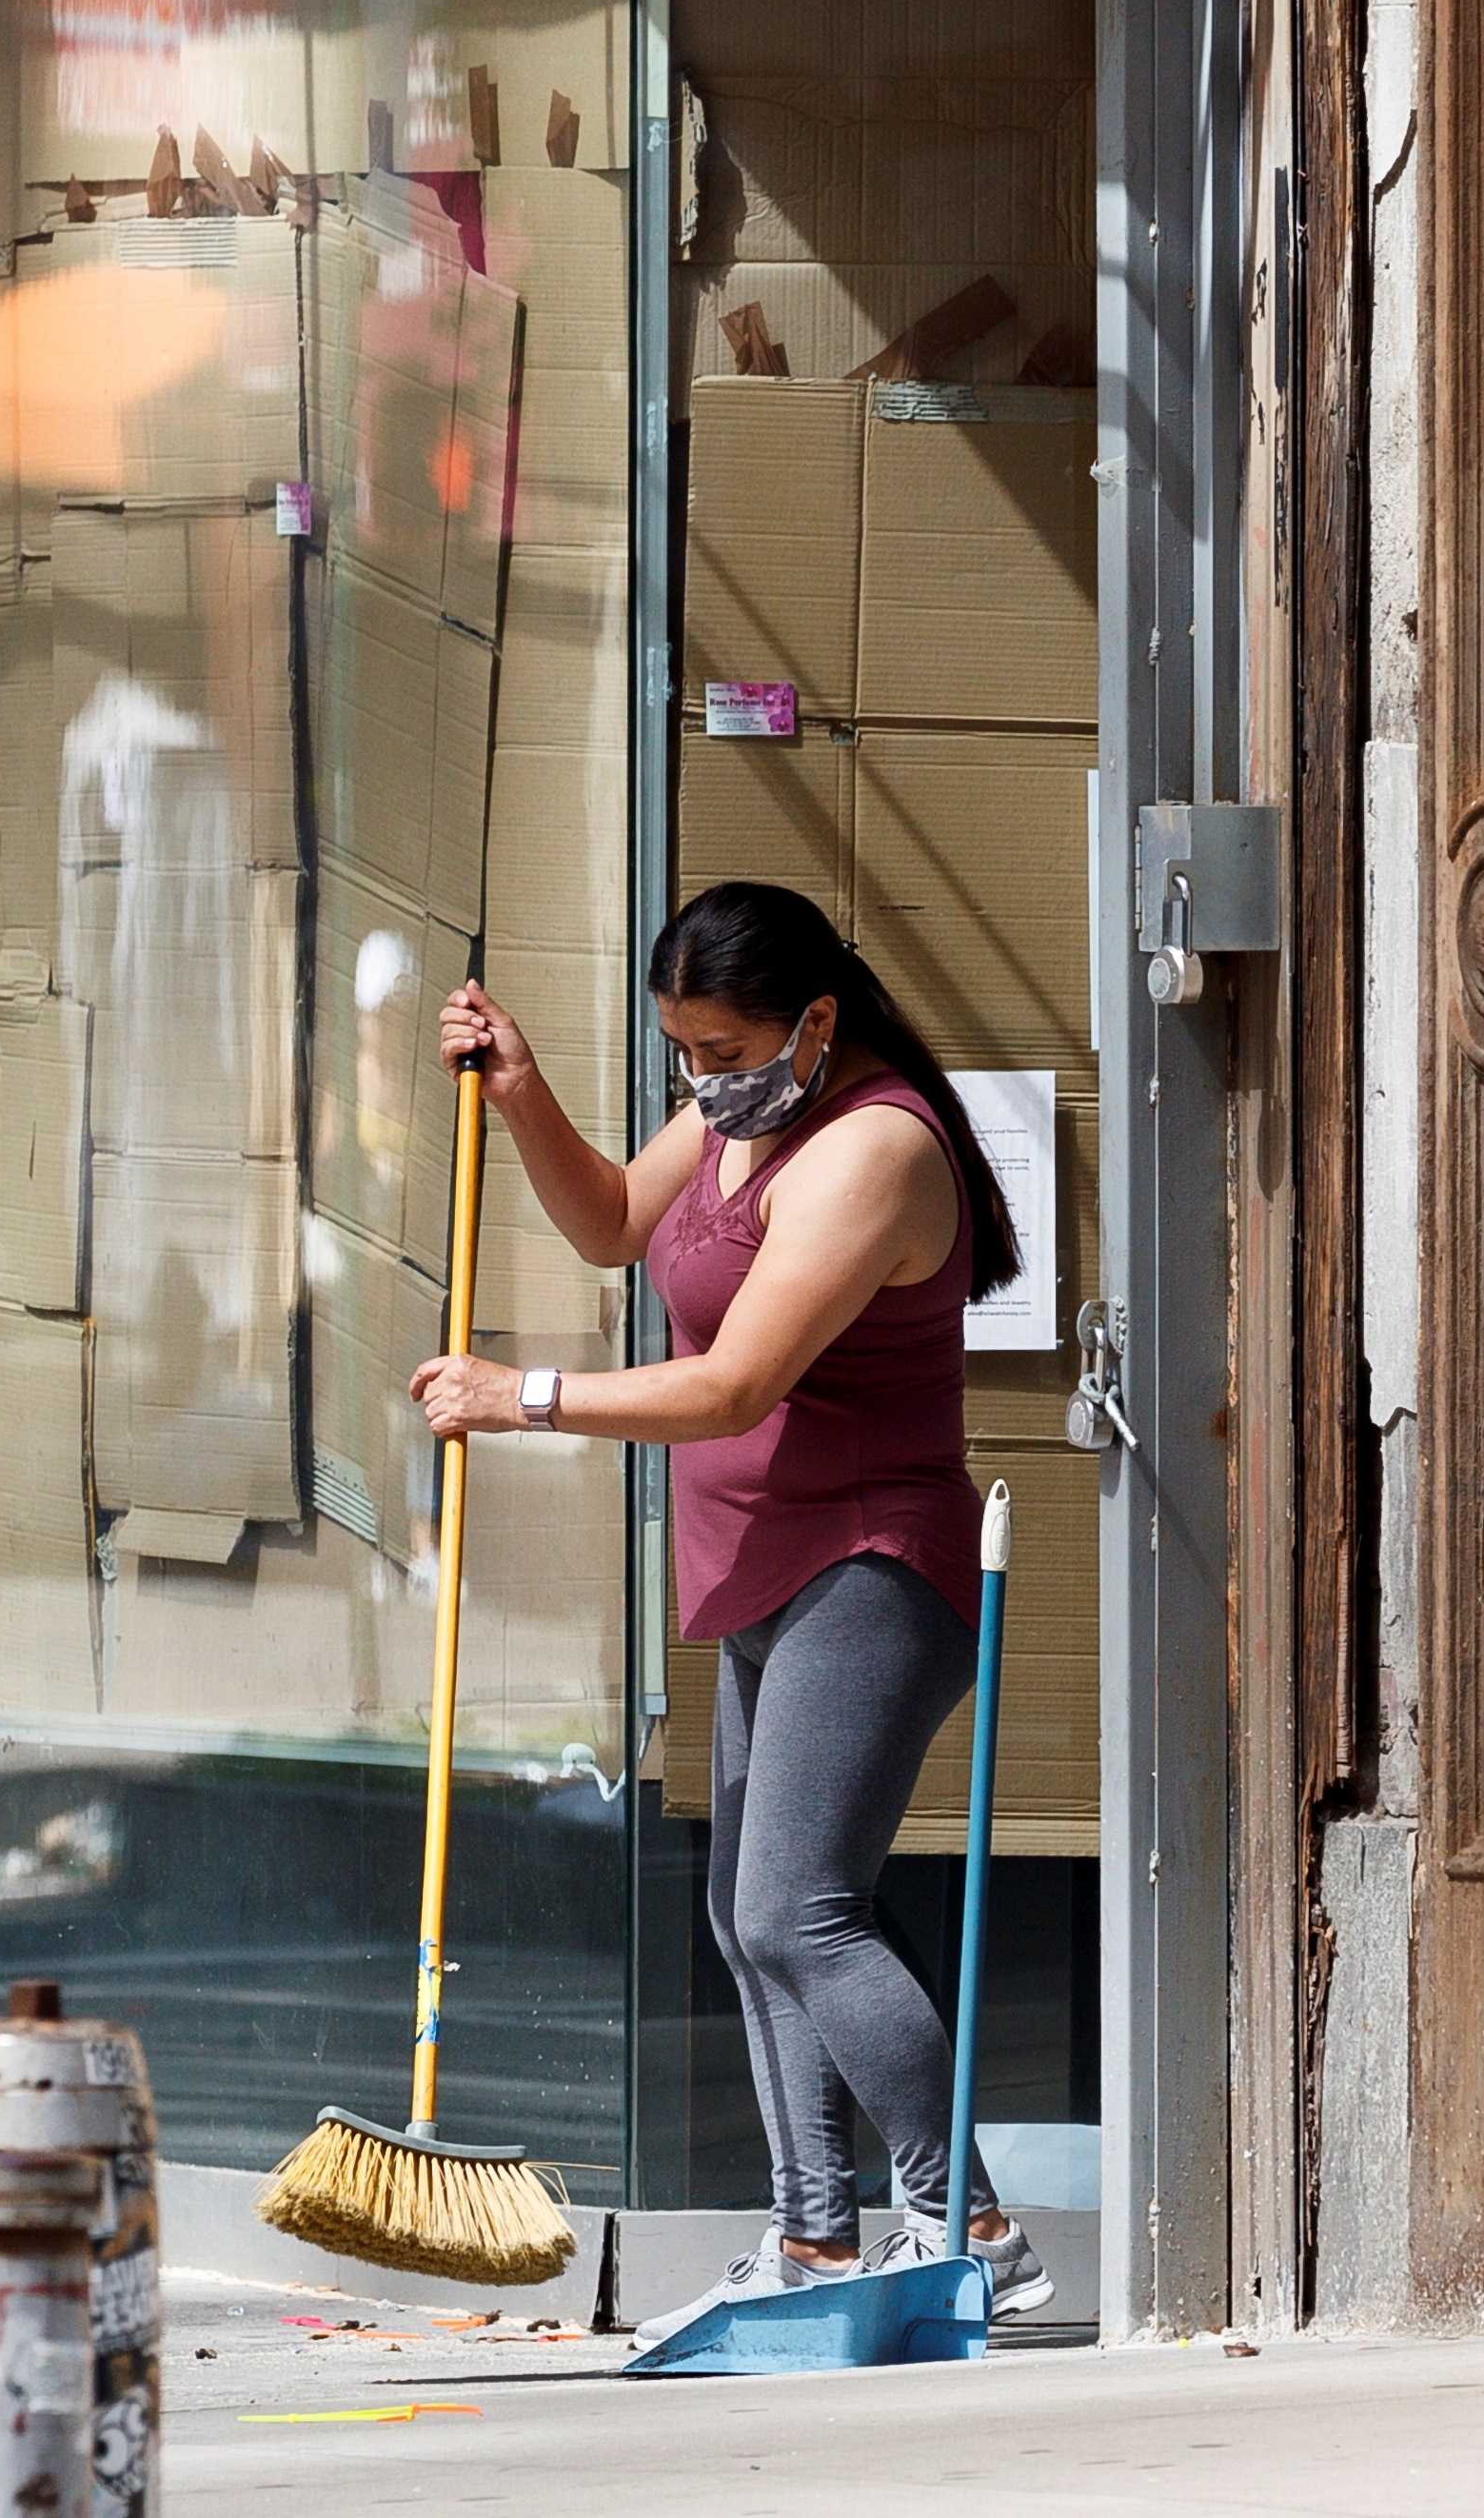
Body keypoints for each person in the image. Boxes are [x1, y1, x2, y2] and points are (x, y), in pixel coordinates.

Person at [406, 880, 1050, 2344]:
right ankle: (817, 2237)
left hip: (871, 1560)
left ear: (814, 1020)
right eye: (681, 1051)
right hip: (759, 1558)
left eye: (724, 1046)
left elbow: (734, 1383)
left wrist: (526, 1397)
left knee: (795, 1907)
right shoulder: (743, 1102)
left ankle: (971, 2225)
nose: (703, 1076)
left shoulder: (874, 1146)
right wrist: (524, 1095)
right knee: (745, 1910)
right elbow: (614, 1226)